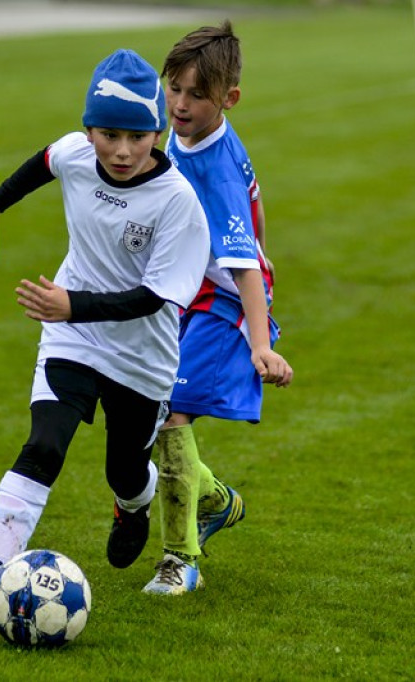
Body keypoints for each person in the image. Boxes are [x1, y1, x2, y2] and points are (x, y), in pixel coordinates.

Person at [0, 49, 210, 631]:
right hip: (71, 339)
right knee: (43, 446)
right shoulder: (76, 152)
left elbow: (154, 298)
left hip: (143, 356)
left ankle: (133, 506)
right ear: (89, 129)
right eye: (107, 134)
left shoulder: (177, 203)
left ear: (156, 130)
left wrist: (70, 305)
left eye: (136, 136)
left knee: (124, 471)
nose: (121, 151)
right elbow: (43, 162)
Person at [142, 21, 294, 596]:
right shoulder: (179, 136)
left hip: (223, 300)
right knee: (150, 414)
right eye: (173, 88)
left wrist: (260, 345)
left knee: (171, 411)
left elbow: (246, 265)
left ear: (228, 99)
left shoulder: (219, 167)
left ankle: (180, 560)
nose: (179, 104)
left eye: (196, 95)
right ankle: (214, 500)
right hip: (182, 290)